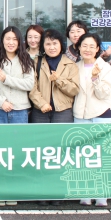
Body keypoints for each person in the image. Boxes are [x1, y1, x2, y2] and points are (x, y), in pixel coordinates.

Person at [0, 26, 34, 207]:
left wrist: (7, 80)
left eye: (14, 39)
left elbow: (29, 84)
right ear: (2, 41)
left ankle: (13, 191)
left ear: (19, 42)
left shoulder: (26, 60)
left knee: (17, 152)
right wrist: (1, 101)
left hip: (20, 111)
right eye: (7, 39)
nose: (11, 42)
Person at [28, 28, 80, 206]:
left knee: (60, 152)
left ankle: (58, 191)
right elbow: (31, 87)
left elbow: (74, 90)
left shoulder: (70, 64)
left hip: (62, 111)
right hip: (40, 112)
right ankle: (42, 191)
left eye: (55, 43)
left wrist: (58, 79)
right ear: (43, 45)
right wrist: (41, 103)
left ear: (61, 45)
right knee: (41, 152)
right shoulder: (36, 62)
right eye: (48, 43)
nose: (51, 47)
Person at [73, 32, 111, 207]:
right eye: (84, 46)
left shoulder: (105, 67)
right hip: (80, 115)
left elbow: (105, 93)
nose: (87, 49)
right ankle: (85, 193)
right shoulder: (75, 66)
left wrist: (96, 78)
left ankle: (102, 195)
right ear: (79, 47)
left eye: (92, 46)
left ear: (98, 49)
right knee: (82, 156)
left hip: (100, 114)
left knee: (101, 156)